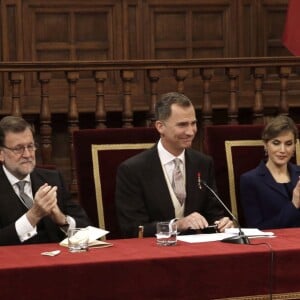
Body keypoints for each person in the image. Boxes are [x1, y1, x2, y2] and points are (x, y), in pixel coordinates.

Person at [115, 92, 233, 238]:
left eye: (193, 123)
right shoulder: (133, 170)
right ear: (160, 127)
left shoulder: (203, 163)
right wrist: (176, 225)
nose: (190, 131)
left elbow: (213, 214)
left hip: (198, 251)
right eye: (182, 125)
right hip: (154, 252)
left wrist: (221, 224)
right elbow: (133, 228)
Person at [0, 115, 91, 245]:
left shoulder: (53, 179)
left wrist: (61, 219)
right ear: (1, 154)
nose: (27, 154)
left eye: (30, 146)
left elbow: (87, 229)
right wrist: (32, 217)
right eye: (18, 149)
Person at [240, 115, 300, 229]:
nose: (283, 150)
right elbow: (256, 229)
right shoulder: (250, 180)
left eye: (288, 144)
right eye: (276, 143)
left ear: (294, 146)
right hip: (274, 245)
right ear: (265, 144)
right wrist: (294, 204)